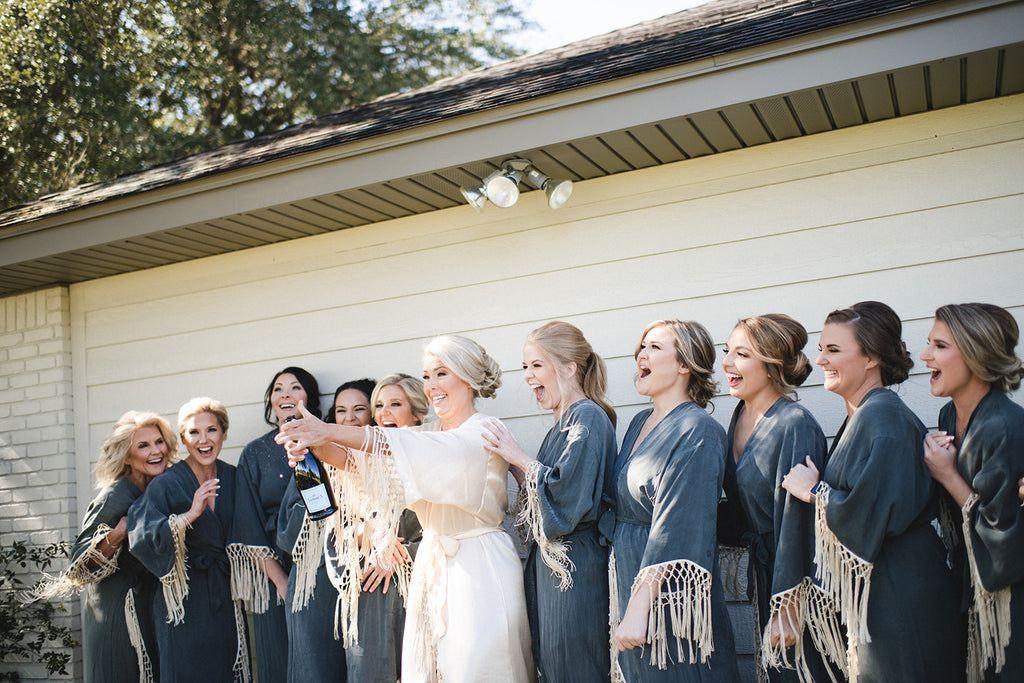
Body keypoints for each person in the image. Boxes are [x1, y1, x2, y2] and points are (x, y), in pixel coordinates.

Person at [276, 335, 534, 683]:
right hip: (434, 566)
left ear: (469, 377)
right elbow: (362, 462)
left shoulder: (483, 431)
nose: (431, 386)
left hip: (478, 568)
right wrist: (314, 445)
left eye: (441, 373)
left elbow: (401, 443)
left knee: (480, 670)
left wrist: (325, 430)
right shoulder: (431, 430)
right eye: (426, 376)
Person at [782, 301, 965, 683]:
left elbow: (872, 514)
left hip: (902, 592)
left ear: (872, 358)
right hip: (881, 591)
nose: (820, 361)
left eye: (833, 350)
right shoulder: (861, 414)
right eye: (821, 349)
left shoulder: (884, 417)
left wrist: (814, 491)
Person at [482, 321, 616, 682]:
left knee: (576, 666)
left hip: (575, 565)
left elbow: (568, 496)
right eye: (525, 366)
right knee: (555, 665)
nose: (528, 376)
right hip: (554, 567)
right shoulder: (562, 422)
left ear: (569, 367)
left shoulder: (587, 416)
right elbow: (542, 494)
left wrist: (520, 457)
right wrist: (512, 462)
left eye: (537, 365)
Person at [611, 319, 739, 682]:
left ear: (684, 364)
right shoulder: (639, 422)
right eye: (641, 346)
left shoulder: (698, 431)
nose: (641, 355)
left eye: (654, 347)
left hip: (669, 594)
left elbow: (679, 523)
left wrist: (640, 606)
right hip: (628, 575)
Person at [717, 314, 841, 683]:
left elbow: (798, 522)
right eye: (727, 352)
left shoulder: (794, 423)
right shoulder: (739, 415)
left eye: (741, 354)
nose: (726, 363)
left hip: (800, 582)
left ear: (771, 365)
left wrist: (788, 605)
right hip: (764, 574)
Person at [32, 411, 178, 683]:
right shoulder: (113, 496)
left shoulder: (161, 487)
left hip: (151, 606)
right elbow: (78, 566)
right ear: (126, 456)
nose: (155, 451)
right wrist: (119, 532)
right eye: (143, 446)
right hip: (117, 614)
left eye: (159, 442)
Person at [920, 303, 1024, 682]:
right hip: (971, 591)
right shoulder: (950, 417)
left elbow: (1005, 541)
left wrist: (947, 475)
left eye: (940, 346)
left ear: (977, 353)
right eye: (929, 343)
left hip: (1011, 605)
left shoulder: (1004, 428)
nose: (925, 355)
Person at [128, 397, 248, 682]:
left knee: (226, 669)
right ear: (182, 438)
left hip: (224, 595)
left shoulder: (233, 476)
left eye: (212, 430)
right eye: (194, 432)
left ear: (224, 433)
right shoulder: (166, 483)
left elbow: (249, 530)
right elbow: (141, 537)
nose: (203, 440)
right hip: (181, 601)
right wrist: (189, 515)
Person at [229, 367, 321, 683]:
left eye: (295, 388)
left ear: (309, 397)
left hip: (319, 565)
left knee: (318, 658)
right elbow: (247, 522)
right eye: (278, 389)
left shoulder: (324, 440)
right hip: (273, 572)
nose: (285, 395)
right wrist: (282, 581)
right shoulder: (256, 453)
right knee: (276, 661)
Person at [275, 379, 369, 683]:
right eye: (341, 410)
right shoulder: (312, 457)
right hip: (314, 580)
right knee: (316, 668)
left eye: (359, 409)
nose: (349, 418)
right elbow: (287, 531)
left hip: (363, 578)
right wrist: (325, 504)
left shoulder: (379, 457)